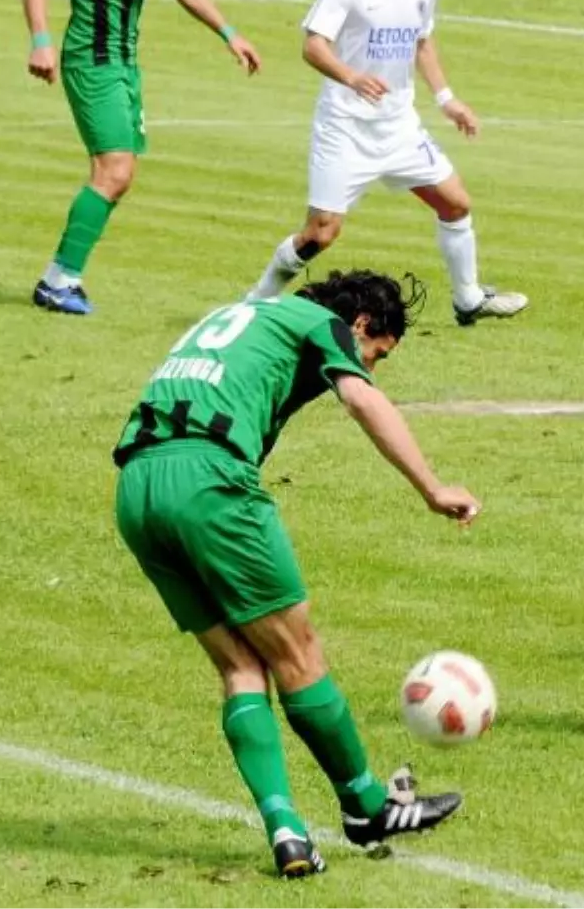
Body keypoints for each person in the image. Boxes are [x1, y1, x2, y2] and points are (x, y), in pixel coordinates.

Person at [112, 269, 476, 877]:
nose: (371, 368)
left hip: (138, 488)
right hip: (208, 482)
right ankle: (367, 806)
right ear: (360, 324)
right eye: (376, 353)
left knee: (240, 666)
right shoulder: (323, 325)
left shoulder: (242, 314)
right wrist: (433, 489)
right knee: (298, 654)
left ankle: (287, 831)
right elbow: (360, 398)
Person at [247, 0, 527, 327]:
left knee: (455, 203)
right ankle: (256, 302)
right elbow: (313, 46)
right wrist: (352, 77)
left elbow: (422, 43)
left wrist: (447, 99)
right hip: (346, 128)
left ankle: (468, 299)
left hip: (399, 128)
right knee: (321, 233)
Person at [24, 0, 261, 315]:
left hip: (127, 65)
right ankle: (58, 279)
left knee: (113, 174)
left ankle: (63, 276)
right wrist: (41, 41)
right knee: (115, 171)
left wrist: (229, 32)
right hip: (91, 60)